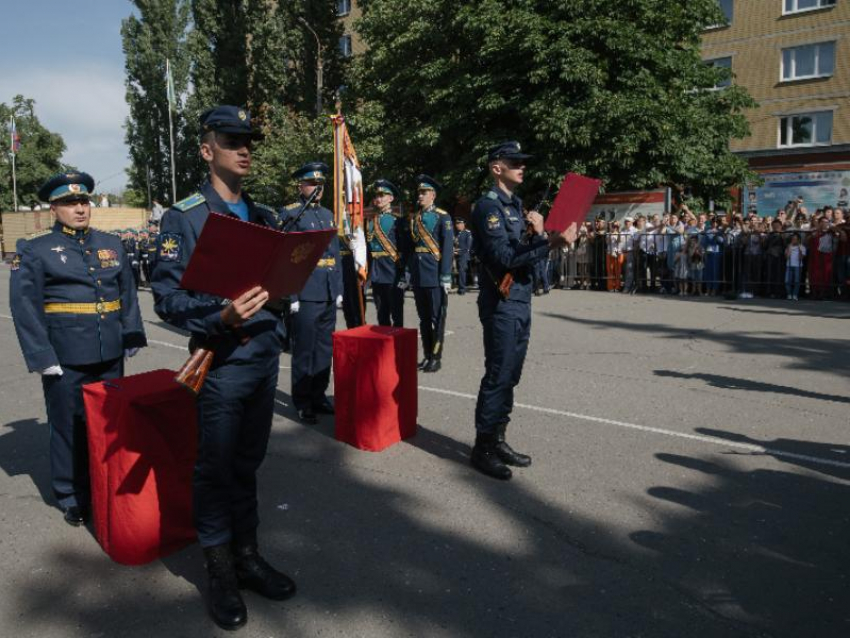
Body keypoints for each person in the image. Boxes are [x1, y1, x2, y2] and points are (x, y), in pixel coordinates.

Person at [151, 106, 294, 631]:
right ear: (207, 149)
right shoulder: (184, 217)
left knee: (247, 464)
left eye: (248, 138)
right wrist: (219, 314)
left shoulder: (262, 215)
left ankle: (248, 556)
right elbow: (166, 298)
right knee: (215, 468)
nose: (244, 147)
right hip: (222, 360)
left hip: (262, 356)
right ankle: (220, 572)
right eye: (232, 139)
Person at [9, 171, 146, 526]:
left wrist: (131, 334)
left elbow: (126, 293)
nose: (80, 208)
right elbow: (25, 307)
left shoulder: (110, 243)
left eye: (83, 201)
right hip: (65, 356)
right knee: (69, 426)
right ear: (54, 208)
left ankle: (106, 485)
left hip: (110, 352)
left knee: (108, 427)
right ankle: (71, 494)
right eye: (70, 203)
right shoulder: (35, 249)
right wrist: (41, 356)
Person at [469, 141, 575, 480]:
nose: (522, 166)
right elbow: (503, 258)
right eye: (515, 161)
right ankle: (482, 447)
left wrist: (541, 233)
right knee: (498, 373)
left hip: (521, 298)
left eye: (522, 160)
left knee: (512, 374)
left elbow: (522, 250)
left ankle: (498, 438)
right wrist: (551, 243)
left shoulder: (515, 205)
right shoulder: (489, 207)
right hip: (501, 303)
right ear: (496, 167)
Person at [278, 162, 342, 423]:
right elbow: (287, 257)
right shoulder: (292, 214)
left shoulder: (327, 214)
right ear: (300, 187)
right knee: (304, 350)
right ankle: (302, 401)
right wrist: (291, 296)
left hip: (326, 290)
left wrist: (338, 289)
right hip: (305, 290)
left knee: (324, 349)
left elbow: (335, 253)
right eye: (313, 184)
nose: (318, 189)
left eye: (321, 185)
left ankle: (318, 395)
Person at [409, 174, 453, 373]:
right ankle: (427, 355)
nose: (420, 196)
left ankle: (437, 356)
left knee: (437, 318)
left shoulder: (442, 217)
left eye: (424, 192)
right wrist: (409, 272)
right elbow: (413, 248)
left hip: (435, 275)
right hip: (419, 275)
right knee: (424, 318)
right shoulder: (415, 218)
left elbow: (448, 248)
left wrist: (445, 275)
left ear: (433, 195)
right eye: (419, 192)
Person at [367, 179, 407, 326]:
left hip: (393, 272)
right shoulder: (371, 222)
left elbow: (405, 248)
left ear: (390, 198)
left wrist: (405, 273)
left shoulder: (398, 221)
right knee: (381, 315)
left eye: (382, 195)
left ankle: (398, 348)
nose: (378, 198)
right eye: (377, 195)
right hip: (377, 273)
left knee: (396, 314)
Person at [455, 217, 473, 295]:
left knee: (462, 272)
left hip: (464, 256)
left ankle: (462, 289)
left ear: (463, 224)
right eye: (456, 224)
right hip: (458, 255)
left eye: (459, 224)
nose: (457, 225)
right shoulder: (457, 234)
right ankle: (459, 287)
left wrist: (458, 252)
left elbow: (468, 247)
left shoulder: (467, 233)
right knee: (459, 272)